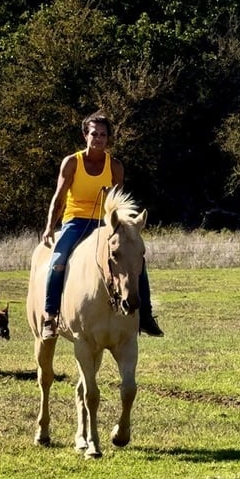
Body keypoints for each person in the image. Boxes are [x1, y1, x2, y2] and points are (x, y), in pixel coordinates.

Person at [40, 111, 164, 340]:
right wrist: (50, 227)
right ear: (85, 135)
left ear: (108, 138)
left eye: (103, 135)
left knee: (136, 261)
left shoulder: (115, 166)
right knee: (57, 262)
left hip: (105, 223)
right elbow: (59, 197)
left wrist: (126, 226)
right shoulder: (72, 163)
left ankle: (145, 315)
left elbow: (120, 203)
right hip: (75, 221)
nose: (98, 139)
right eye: (94, 134)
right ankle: (50, 316)